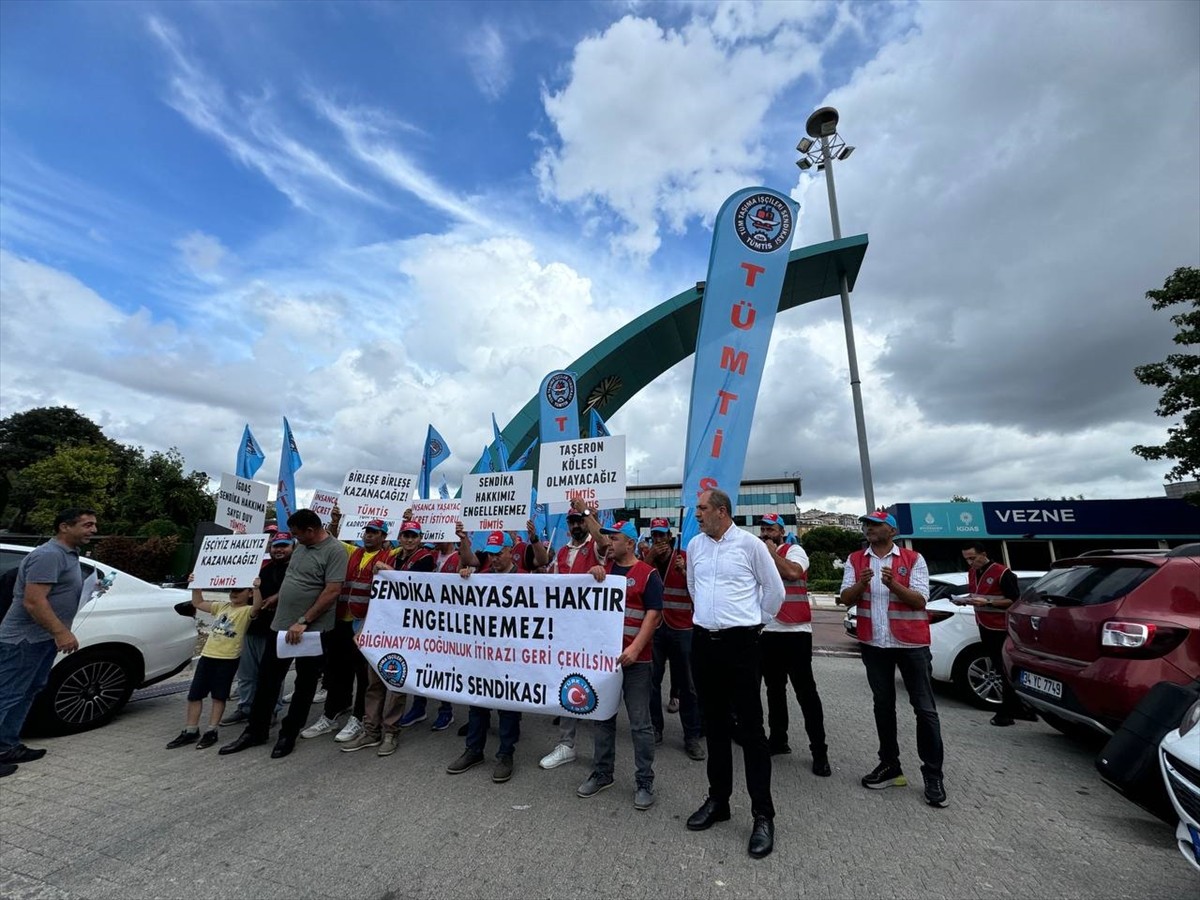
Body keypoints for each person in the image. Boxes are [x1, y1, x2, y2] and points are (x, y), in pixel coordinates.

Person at [685, 489, 784, 860]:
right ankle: (718, 800)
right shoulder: (695, 546)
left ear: (722, 511)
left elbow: (774, 591)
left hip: (741, 644)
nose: (697, 515)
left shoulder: (750, 545)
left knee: (752, 730)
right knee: (714, 724)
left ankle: (763, 814)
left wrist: (754, 625)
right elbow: (695, 587)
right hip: (703, 643)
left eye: (702, 509)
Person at [838, 510, 947, 808]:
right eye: (866, 524)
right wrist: (861, 584)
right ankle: (890, 765)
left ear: (892, 531)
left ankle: (933, 776)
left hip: (910, 644)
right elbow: (845, 598)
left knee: (924, 709)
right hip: (874, 643)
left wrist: (892, 585)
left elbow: (920, 600)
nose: (868, 528)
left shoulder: (914, 560)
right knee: (882, 706)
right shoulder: (856, 559)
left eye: (875, 524)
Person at [220, 509, 348, 759]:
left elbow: (332, 591)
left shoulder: (335, 551)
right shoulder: (301, 547)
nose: (295, 539)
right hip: (280, 625)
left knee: (305, 683)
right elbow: (296, 578)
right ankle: (256, 731)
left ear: (311, 530)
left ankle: (289, 733)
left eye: (298, 534)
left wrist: (303, 621)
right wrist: (279, 597)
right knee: (267, 678)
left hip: (310, 631)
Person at [0, 507, 97, 775]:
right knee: (6, 695)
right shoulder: (49, 555)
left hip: (40, 640)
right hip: (23, 641)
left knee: (26, 691)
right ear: (64, 527)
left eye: (93, 525)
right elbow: (33, 601)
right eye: (87, 525)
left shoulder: (68, 555)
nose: (93, 530)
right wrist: (61, 632)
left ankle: (7, 746)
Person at [577, 521, 662, 809]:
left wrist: (635, 649)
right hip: (605, 662)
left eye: (614, 539)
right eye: (608, 539)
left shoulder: (648, 575)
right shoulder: (606, 572)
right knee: (602, 719)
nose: (608, 543)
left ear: (630, 543)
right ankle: (603, 773)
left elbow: (654, 616)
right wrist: (592, 576)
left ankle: (644, 781)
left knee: (640, 724)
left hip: (637, 662)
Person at [344, 519, 438, 756]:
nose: (408, 539)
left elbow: (414, 585)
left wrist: (389, 572)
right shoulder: (393, 558)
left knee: (396, 680)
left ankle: (390, 732)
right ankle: (371, 731)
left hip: (406, 631)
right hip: (383, 627)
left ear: (419, 538)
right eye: (405, 535)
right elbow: (379, 598)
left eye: (413, 536)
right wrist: (365, 627)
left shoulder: (425, 558)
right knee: (373, 682)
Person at [446, 530, 526, 783]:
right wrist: (465, 576)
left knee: (507, 706)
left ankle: (505, 754)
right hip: (482, 653)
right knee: (477, 700)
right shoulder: (480, 578)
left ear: (510, 551)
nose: (493, 559)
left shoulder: (526, 579)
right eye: (490, 555)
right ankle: (474, 750)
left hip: (511, 655)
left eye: (498, 554)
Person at [302, 512, 388, 744]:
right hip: (341, 620)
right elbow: (333, 538)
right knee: (337, 669)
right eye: (367, 532)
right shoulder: (352, 552)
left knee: (363, 674)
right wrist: (336, 522)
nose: (369, 536)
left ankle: (358, 717)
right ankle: (332, 712)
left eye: (374, 533)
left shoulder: (390, 554)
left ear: (384, 537)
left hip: (366, 625)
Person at [539, 500, 611, 771]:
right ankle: (566, 745)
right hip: (567, 631)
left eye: (580, 521)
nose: (577, 525)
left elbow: (604, 543)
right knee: (566, 682)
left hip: (595, 631)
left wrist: (586, 511)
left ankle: (604, 754)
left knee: (598, 685)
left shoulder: (596, 547)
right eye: (572, 521)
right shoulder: (561, 551)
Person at [758, 513, 830, 776]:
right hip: (768, 631)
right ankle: (778, 740)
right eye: (763, 529)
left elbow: (792, 572)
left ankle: (819, 752)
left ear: (782, 531)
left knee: (806, 692)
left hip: (795, 631)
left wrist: (771, 554)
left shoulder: (795, 550)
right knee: (774, 690)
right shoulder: (759, 553)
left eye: (771, 529)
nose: (766, 533)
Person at [167, 576, 264, 750]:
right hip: (208, 655)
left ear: (248, 593)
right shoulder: (221, 607)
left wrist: (257, 588)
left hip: (227, 659)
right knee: (195, 694)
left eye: (239, 590)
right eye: (232, 590)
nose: (234, 594)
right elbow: (198, 603)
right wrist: (196, 585)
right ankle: (191, 730)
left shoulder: (246, 611)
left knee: (219, 696)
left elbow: (257, 607)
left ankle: (212, 730)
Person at [956, 542, 1035, 727]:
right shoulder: (973, 572)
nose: (970, 562)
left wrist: (987, 604)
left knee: (1003, 668)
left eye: (973, 558)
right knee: (998, 667)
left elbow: (1013, 600)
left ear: (983, 554)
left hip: (1001, 628)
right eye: (966, 559)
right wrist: (966, 601)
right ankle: (1019, 707)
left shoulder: (1002, 573)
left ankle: (1006, 712)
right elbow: (977, 594)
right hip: (984, 625)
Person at [645, 518, 704, 761]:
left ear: (670, 536)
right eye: (655, 536)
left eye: (662, 535)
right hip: (657, 628)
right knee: (652, 681)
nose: (658, 540)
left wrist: (685, 571)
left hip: (682, 628)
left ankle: (691, 735)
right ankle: (655, 729)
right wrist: (649, 557)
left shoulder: (685, 558)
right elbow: (638, 583)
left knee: (688, 684)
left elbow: (700, 593)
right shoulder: (647, 560)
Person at [221, 532, 293, 726]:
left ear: (292, 548)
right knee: (246, 674)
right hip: (251, 627)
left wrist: (277, 598)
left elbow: (298, 592)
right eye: (276, 546)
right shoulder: (262, 570)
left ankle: (271, 710)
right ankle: (245, 708)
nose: (279, 549)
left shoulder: (296, 571)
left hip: (275, 630)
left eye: (284, 546)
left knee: (271, 675)